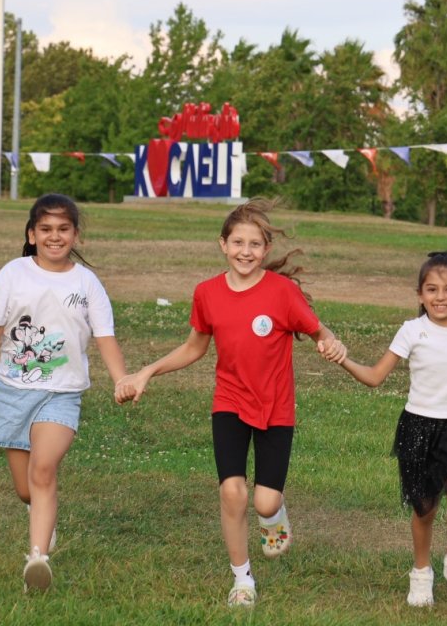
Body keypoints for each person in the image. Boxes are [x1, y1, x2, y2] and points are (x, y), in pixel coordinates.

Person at [114, 199, 346, 608]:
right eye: (237, 242)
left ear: (266, 248)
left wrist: (331, 343)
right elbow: (194, 348)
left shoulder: (283, 293)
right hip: (230, 402)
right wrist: (147, 371)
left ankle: (274, 516)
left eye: (255, 244)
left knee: (264, 500)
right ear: (222, 244)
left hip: (276, 407)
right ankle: (243, 580)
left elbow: (318, 330)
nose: (245, 251)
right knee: (233, 493)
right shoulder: (207, 293)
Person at [0, 194, 127, 593]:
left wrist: (121, 378)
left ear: (75, 234)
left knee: (44, 470)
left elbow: (105, 337)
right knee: (25, 488)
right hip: (13, 392)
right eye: (46, 229)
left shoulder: (86, 283)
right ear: (32, 235)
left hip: (61, 394)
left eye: (63, 229)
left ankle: (37, 559)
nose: (55, 237)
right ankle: (40, 517)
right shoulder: (12, 274)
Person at [331, 252, 447, 608]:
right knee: (424, 506)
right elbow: (375, 377)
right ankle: (421, 573)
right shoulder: (412, 331)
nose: (440, 297)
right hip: (419, 427)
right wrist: (343, 359)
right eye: (432, 289)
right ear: (419, 294)